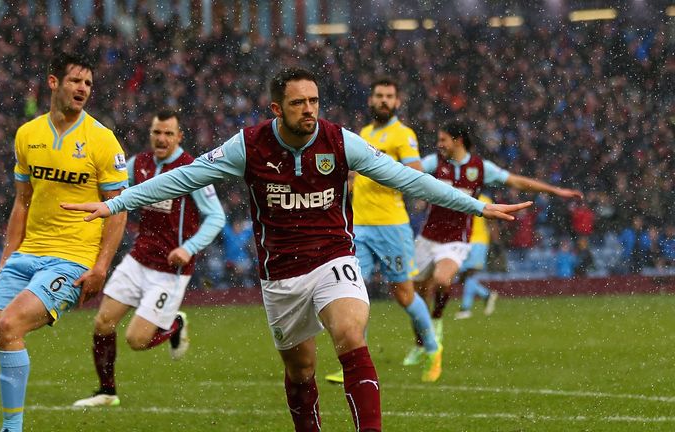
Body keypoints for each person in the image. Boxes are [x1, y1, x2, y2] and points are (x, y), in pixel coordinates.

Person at [62, 68, 531, 432]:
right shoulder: (247, 146)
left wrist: (477, 207)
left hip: (333, 258)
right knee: (302, 370)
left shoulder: (341, 141)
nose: (309, 110)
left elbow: (409, 178)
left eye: (313, 101)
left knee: (350, 332)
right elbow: (183, 177)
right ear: (276, 108)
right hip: (280, 275)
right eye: (298, 103)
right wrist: (115, 204)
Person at [0, 52, 129, 432]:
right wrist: (7, 258)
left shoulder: (102, 140)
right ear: (54, 83)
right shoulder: (27, 135)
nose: (83, 89)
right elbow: (22, 202)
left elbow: (118, 211)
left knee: (10, 326)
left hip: (71, 261)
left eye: (88, 83)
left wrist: (100, 267)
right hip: (26, 256)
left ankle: (12, 428)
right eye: (75, 81)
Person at [73, 109, 226, 407]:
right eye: (157, 132)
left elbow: (215, 217)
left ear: (179, 137)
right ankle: (107, 392)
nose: (162, 138)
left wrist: (188, 248)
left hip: (170, 270)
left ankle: (175, 326)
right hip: (138, 258)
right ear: (151, 134)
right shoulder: (138, 164)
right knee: (103, 323)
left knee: (136, 340)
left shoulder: (192, 169)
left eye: (169, 133)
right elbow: (114, 193)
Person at [412, 121, 583, 364]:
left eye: (443, 140)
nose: (439, 145)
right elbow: (406, 172)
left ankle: (437, 321)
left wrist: (555, 191)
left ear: (457, 140)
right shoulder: (434, 163)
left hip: (457, 239)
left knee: (442, 280)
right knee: (416, 297)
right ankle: (420, 342)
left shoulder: (480, 167)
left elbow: (516, 181)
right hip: (427, 237)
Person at [324, 78, 441, 384]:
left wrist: (382, 169)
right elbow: (353, 176)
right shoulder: (363, 134)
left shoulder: (403, 134)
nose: (384, 100)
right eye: (379, 96)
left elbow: (415, 173)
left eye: (390, 96)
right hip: (359, 226)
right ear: (371, 100)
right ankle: (352, 362)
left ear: (397, 102)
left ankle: (432, 348)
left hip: (391, 226)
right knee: (351, 293)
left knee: (403, 295)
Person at [454, 193, 499, 320]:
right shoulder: (462, 197)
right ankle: (486, 294)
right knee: (462, 276)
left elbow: (492, 222)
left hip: (479, 242)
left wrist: (495, 242)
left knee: (470, 274)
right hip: (463, 241)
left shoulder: (485, 200)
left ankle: (465, 308)